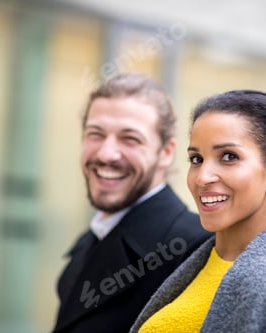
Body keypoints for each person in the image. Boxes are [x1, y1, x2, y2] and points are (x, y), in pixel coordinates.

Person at [130, 89, 266, 332]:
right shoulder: (210, 257)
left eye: (229, 156)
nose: (202, 177)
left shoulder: (263, 280)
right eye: (196, 159)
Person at [52, 73, 212, 333]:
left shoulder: (199, 249)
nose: (106, 154)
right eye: (95, 134)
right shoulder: (89, 241)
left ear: (166, 153)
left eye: (130, 139)